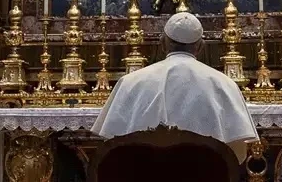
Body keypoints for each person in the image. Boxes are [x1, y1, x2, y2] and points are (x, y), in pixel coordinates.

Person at [91, 12, 259, 163]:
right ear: (200, 47)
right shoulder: (224, 84)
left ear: (162, 43)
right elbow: (235, 154)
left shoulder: (129, 82)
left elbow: (113, 147)